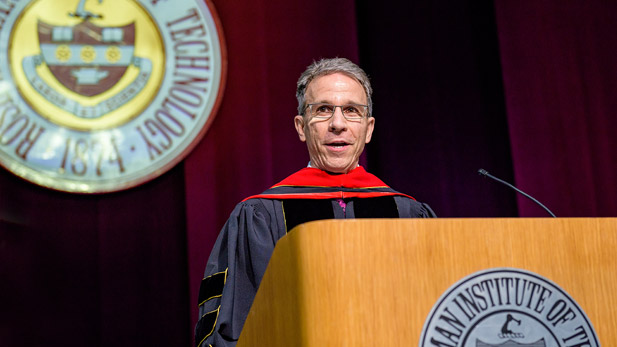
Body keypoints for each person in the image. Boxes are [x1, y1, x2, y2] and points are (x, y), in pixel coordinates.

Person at [195, 58, 435, 347]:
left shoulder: (407, 213)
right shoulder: (261, 215)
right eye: (323, 110)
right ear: (301, 127)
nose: (337, 124)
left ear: (368, 129)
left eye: (351, 111)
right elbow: (234, 327)